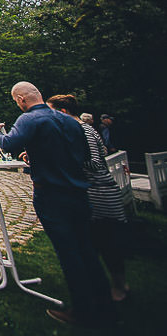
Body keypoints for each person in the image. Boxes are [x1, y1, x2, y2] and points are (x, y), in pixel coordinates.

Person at [0, 81, 114, 326]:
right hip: (78, 193)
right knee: (87, 250)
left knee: (69, 253)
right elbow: (83, 155)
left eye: (16, 101)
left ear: (21, 99)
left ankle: (82, 311)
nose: (18, 104)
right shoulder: (70, 121)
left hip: (51, 194)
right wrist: (37, 154)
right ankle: (105, 305)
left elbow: (8, 144)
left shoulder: (28, 119)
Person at [47, 94, 129, 303]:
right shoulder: (77, 129)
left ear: (63, 112)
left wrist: (62, 163)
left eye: (51, 111)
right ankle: (102, 288)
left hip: (100, 192)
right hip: (90, 192)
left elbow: (94, 161)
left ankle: (119, 287)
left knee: (106, 242)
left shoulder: (82, 129)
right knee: (93, 242)